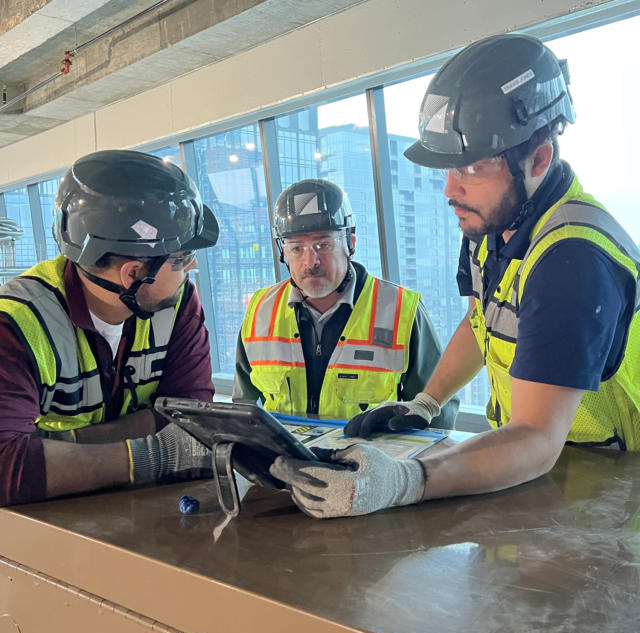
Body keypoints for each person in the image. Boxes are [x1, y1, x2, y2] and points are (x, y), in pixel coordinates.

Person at [269, 33, 640, 518]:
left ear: (539, 158)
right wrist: (425, 402)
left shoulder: (572, 258)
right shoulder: (493, 222)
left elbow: (537, 437)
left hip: (610, 484)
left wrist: (407, 480)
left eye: (471, 167)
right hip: (540, 469)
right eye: (448, 168)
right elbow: (480, 322)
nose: (450, 189)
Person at [0, 149, 219, 506]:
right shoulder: (16, 323)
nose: (192, 265)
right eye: (180, 258)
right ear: (133, 274)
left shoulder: (177, 304)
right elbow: (5, 468)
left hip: (140, 518)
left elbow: (192, 421)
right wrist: (154, 456)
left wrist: (59, 448)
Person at [233, 178, 458, 427]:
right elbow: (243, 408)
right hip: (283, 463)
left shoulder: (400, 309)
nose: (311, 262)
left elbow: (438, 409)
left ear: (350, 243)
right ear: (283, 252)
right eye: (297, 248)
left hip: (371, 463)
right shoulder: (260, 311)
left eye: (323, 244)